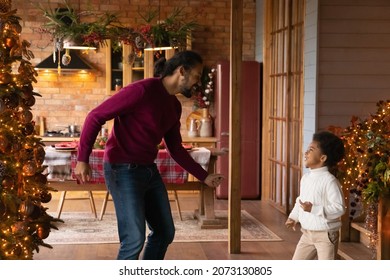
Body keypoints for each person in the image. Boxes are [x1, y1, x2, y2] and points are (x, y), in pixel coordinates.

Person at [74, 50, 224, 260]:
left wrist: (204, 176)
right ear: (182, 71)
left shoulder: (174, 106)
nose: (197, 83)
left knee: (164, 232)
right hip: (122, 170)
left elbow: (176, 148)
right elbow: (95, 116)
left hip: (148, 170)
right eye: (197, 76)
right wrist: (82, 159)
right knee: (134, 238)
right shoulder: (142, 90)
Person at [285, 131, 345, 260]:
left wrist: (314, 209)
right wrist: (294, 217)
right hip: (307, 233)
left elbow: (339, 208)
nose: (306, 153)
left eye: (311, 150)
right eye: (307, 150)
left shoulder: (330, 181)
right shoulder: (306, 178)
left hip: (326, 235)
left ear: (323, 158)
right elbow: (300, 201)